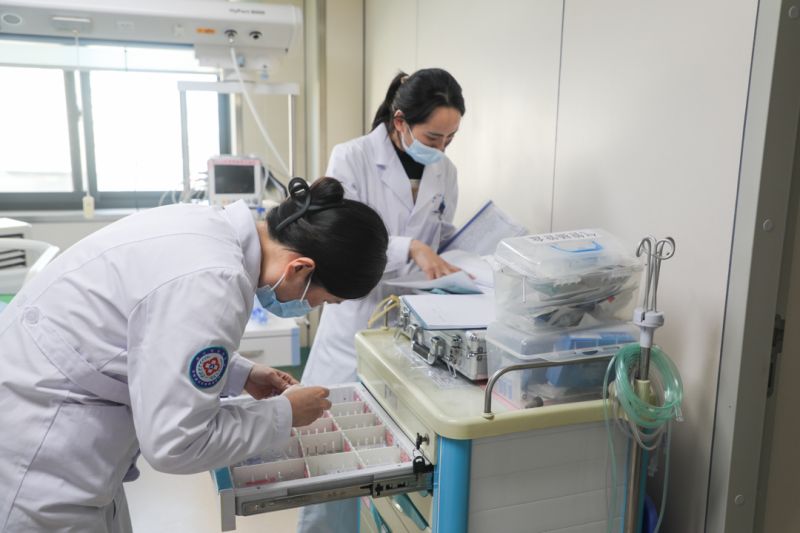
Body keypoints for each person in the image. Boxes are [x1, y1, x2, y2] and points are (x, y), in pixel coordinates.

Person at [0, 177, 389, 533]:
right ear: (300, 268)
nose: (313, 306)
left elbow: (154, 338)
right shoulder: (215, 282)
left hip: (54, 417)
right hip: (41, 458)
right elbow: (175, 444)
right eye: (324, 300)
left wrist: (241, 374)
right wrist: (284, 414)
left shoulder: (207, 227)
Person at [298, 68, 465, 532]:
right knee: (332, 464)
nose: (441, 149)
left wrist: (459, 258)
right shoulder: (352, 157)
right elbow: (339, 241)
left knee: (396, 466)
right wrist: (410, 247)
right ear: (400, 121)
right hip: (354, 327)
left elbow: (443, 237)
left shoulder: (445, 171)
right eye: (433, 137)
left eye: (451, 139)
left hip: (410, 332)